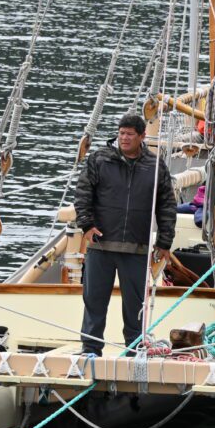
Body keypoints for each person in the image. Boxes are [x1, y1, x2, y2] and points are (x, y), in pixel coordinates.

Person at [74, 114, 176, 355]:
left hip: (137, 249)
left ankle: (134, 349)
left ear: (141, 137)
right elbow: (83, 193)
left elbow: (167, 205)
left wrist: (164, 241)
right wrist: (86, 225)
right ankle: (90, 348)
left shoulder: (155, 165)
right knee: (94, 301)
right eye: (121, 133)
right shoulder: (99, 159)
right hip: (101, 246)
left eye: (130, 134)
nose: (124, 138)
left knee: (135, 306)